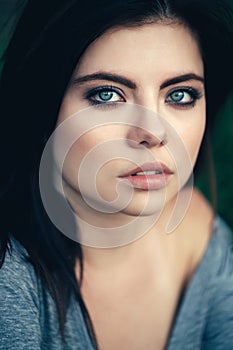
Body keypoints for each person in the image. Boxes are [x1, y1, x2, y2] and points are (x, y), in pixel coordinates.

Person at [0, 0, 233, 349]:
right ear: (43, 108)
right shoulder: (10, 280)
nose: (153, 132)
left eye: (180, 95)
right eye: (107, 95)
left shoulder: (198, 230)